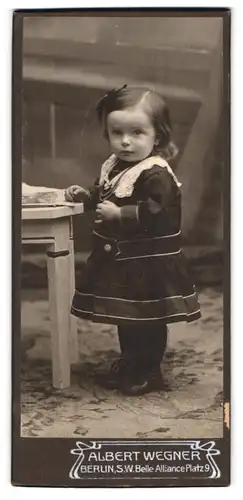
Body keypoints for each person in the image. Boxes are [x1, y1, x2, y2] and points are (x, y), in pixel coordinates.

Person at [65, 85, 201, 396]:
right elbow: (107, 192)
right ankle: (130, 362)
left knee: (148, 319)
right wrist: (87, 196)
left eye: (137, 132)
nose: (125, 141)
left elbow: (160, 213)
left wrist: (121, 216)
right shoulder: (116, 165)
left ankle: (149, 370)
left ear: (158, 137)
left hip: (147, 263)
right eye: (117, 133)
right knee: (127, 317)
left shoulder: (156, 174)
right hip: (123, 261)